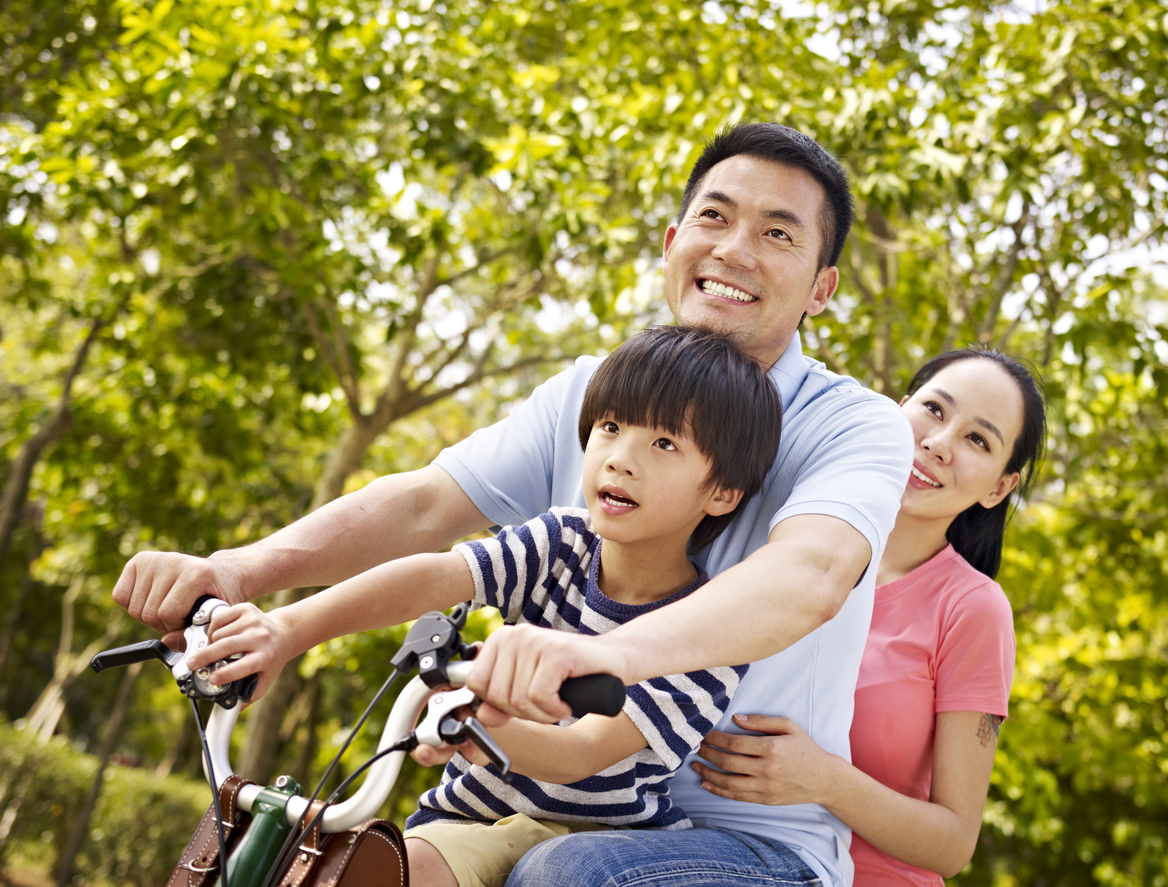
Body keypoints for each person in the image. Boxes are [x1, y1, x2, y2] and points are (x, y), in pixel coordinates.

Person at [113, 122, 915, 887]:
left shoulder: (853, 423)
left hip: (748, 844)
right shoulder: (597, 396)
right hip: (509, 804)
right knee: (347, 858)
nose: (734, 249)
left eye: (778, 233)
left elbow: (809, 574)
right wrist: (240, 575)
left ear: (821, 288)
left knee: (558, 872)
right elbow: (428, 510)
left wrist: (604, 657)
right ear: (672, 245)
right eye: (714, 215)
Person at [186, 325, 783, 887]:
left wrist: (478, 726)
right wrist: (289, 629)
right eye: (609, 426)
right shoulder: (559, 543)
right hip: (467, 820)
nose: (620, 457)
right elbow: (437, 576)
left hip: (599, 843)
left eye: (663, 442)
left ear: (723, 491)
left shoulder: (710, 628)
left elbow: (582, 752)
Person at [687, 348, 1047, 886]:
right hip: (695, 850)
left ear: (1000, 486)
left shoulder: (972, 609)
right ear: (895, 409)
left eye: (978, 440)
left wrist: (827, 780)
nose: (938, 444)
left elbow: (953, 844)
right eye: (934, 410)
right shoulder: (779, 537)